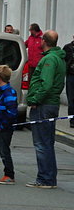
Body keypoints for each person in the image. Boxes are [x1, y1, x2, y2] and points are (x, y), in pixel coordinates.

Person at [25, 30, 66, 189]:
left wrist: (35, 99)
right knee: (47, 143)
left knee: (42, 144)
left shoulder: (49, 60)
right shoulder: (58, 58)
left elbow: (46, 84)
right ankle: (49, 177)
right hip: (51, 104)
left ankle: (45, 178)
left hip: (44, 105)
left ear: (44, 41)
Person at [62, 34, 74, 128]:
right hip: (71, 75)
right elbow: (63, 60)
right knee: (71, 98)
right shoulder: (67, 47)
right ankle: (72, 119)